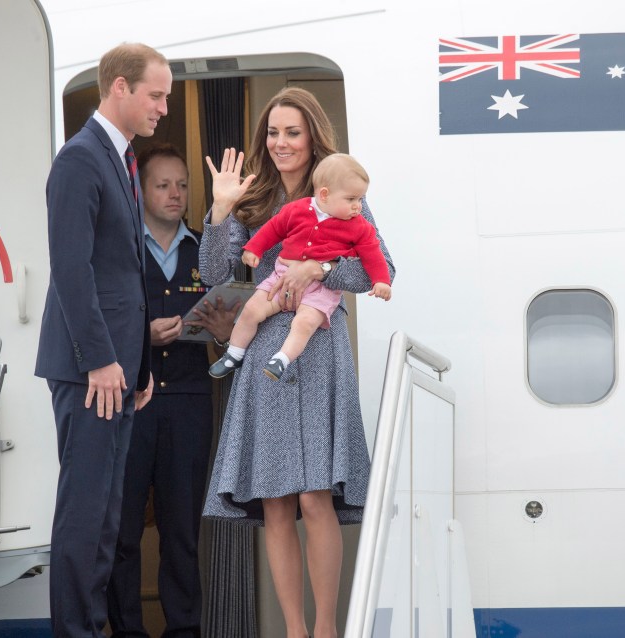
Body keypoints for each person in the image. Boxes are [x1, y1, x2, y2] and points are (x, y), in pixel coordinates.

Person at [199, 87, 395, 638]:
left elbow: (380, 272)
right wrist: (220, 208)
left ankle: (326, 630)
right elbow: (216, 274)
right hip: (266, 354)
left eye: (292, 132)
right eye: (273, 132)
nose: (281, 143)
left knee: (315, 497)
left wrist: (320, 272)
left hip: (319, 350)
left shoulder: (342, 191)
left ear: (312, 137)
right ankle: (294, 630)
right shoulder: (255, 195)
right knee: (278, 501)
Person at [34, 43, 169, 638]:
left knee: (109, 521)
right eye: (156, 94)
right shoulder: (80, 159)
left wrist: (136, 365)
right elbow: (71, 268)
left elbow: (122, 273)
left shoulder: (120, 159)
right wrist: (102, 361)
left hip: (116, 371)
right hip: (92, 371)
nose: (163, 107)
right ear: (119, 87)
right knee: (86, 519)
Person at [106, 144, 239, 637]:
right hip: (127, 404)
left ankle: (185, 631)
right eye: (163, 185)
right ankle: (127, 632)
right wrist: (143, 335)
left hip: (188, 404)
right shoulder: (118, 249)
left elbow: (231, 325)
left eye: (182, 184)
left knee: (181, 531)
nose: (175, 194)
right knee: (121, 533)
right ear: (141, 190)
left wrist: (225, 331)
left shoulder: (206, 250)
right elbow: (97, 322)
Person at [208, 153, 391, 382]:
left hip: (322, 291)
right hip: (281, 276)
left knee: (304, 323)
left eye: (361, 199)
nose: (358, 206)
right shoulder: (297, 209)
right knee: (252, 309)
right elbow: (273, 229)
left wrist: (380, 280)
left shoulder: (359, 225)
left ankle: (282, 359)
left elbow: (373, 253)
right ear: (324, 194)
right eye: (353, 199)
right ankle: (233, 354)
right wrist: (253, 248)